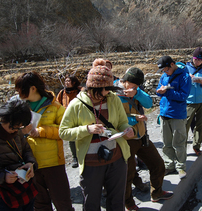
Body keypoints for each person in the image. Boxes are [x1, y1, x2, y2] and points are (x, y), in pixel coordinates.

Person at [59, 58, 135, 211]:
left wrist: (127, 129)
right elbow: (63, 132)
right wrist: (86, 129)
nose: (108, 92)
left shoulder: (113, 99)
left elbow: (122, 122)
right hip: (91, 164)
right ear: (94, 87)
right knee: (92, 202)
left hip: (116, 158)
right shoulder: (77, 104)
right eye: (106, 89)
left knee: (116, 201)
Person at [14, 72, 74, 211]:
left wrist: (42, 131)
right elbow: (9, 133)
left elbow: (66, 131)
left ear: (33, 88)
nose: (18, 93)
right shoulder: (19, 109)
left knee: (62, 202)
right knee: (40, 204)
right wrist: (21, 132)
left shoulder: (56, 107)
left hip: (53, 163)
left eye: (20, 89)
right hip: (30, 164)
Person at [117, 67, 173, 210]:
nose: (134, 87)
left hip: (141, 136)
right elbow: (116, 120)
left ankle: (157, 192)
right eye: (132, 85)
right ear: (124, 81)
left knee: (158, 164)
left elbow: (148, 104)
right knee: (128, 174)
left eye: (137, 86)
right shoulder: (114, 94)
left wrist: (137, 93)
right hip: (126, 140)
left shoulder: (136, 91)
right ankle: (129, 204)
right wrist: (135, 119)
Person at [0, 99, 37, 210]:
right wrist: (3, 177)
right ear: (3, 119)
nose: (16, 131)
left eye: (20, 127)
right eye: (16, 127)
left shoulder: (16, 130)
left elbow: (26, 149)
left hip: (23, 188)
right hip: (0, 196)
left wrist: (31, 164)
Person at [156, 56, 191, 179]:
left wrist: (167, 92)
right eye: (163, 71)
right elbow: (158, 89)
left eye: (166, 70)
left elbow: (183, 96)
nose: (165, 72)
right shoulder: (164, 76)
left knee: (179, 142)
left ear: (172, 64)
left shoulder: (185, 77)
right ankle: (169, 165)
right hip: (164, 113)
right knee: (166, 143)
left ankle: (181, 167)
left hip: (177, 114)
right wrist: (159, 91)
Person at [185, 47, 202, 156]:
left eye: (201, 60)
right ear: (193, 58)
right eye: (196, 59)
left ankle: (197, 146)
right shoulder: (185, 68)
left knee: (201, 124)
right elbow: (180, 84)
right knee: (185, 124)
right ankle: (182, 148)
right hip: (189, 101)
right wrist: (188, 78)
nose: (198, 62)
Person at [56, 75, 81, 168]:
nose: (66, 83)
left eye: (68, 81)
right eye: (65, 81)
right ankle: (75, 157)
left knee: (80, 136)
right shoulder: (62, 92)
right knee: (71, 138)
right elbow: (57, 104)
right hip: (67, 118)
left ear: (74, 82)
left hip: (78, 117)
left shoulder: (79, 92)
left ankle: (82, 155)